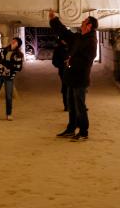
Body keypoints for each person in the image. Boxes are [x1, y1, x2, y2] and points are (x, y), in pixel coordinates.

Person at [48, 9, 98, 141]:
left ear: (89, 26)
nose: (82, 22)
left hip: (80, 78)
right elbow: (65, 33)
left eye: (85, 21)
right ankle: (71, 129)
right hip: (72, 77)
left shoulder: (90, 41)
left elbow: (88, 58)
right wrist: (54, 20)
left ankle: (83, 132)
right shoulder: (81, 38)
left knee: (80, 106)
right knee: (71, 105)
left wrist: (72, 60)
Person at [0, 37, 24, 121]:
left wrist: (5, 64)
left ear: (18, 45)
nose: (13, 42)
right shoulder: (3, 50)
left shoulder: (18, 55)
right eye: (13, 40)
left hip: (9, 77)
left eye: (15, 42)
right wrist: (2, 63)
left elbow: (18, 68)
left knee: (9, 96)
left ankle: (9, 114)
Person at [51, 38, 69, 111]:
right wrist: (63, 64)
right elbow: (54, 62)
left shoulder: (72, 46)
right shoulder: (58, 49)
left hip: (73, 70)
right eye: (63, 39)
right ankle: (66, 106)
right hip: (63, 71)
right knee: (65, 87)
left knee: (73, 87)